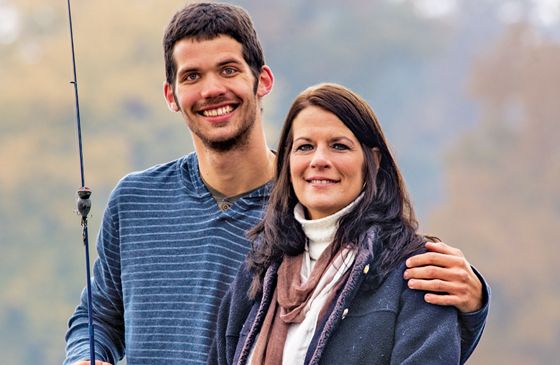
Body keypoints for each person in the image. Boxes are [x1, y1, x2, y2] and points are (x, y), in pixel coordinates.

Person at [64, 3, 489, 365]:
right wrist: (86, 355)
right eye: (192, 76)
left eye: (228, 69)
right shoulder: (135, 200)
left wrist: (472, 304)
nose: (212, 89)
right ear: (171, 94)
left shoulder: (311, 209)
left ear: (262, 81)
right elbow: (98, 316)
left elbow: (377, 311)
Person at [210, 83, 465, 364]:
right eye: (305, 147)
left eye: (339, 146)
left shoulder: (417, 271)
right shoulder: (258, 272)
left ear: (374, 161)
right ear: (287, 161)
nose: (319, 160)